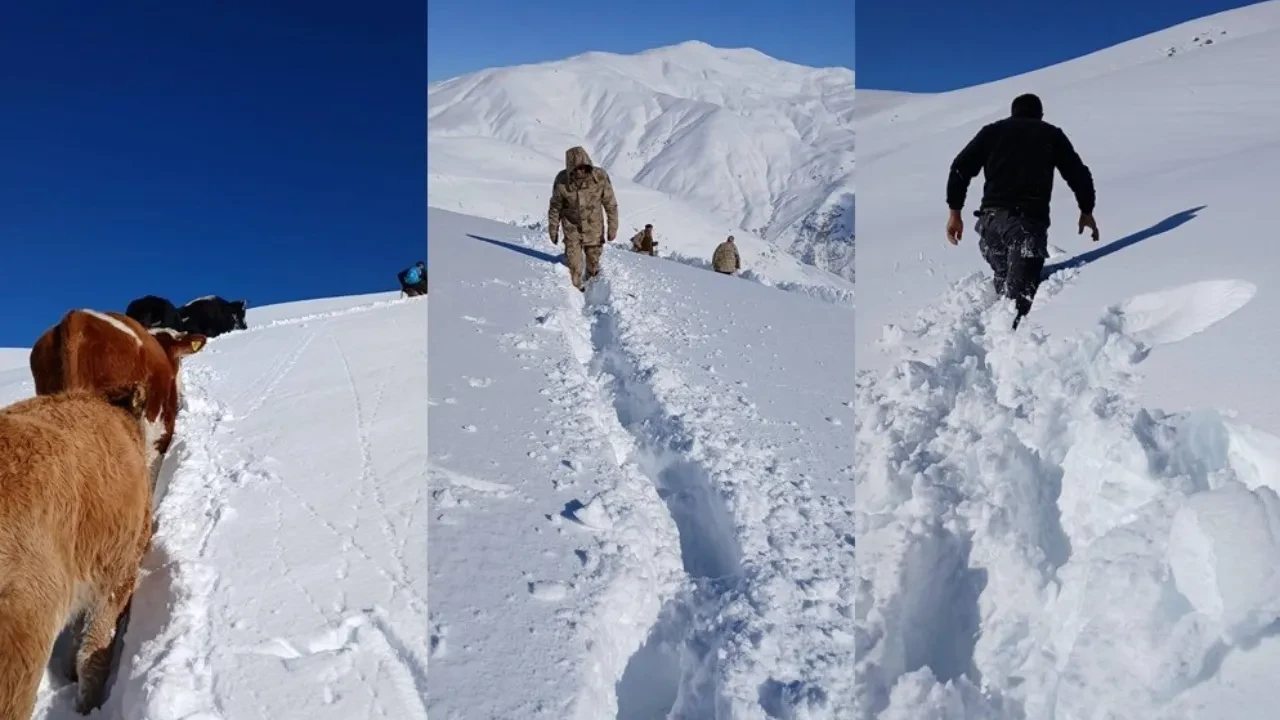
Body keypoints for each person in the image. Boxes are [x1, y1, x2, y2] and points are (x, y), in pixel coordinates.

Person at [945, 92, 1099, 329]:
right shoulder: (1050, 134)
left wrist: (955, 213)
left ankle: (994, 336)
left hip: (990, 226)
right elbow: (1077, 173)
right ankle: (1007, 345)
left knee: (1005, 282)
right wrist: (1086, 210)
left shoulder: (992, 132)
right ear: (1040, 115)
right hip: (1024, 227)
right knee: (1019, 307)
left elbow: (960, 168)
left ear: (1013, 113)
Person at [547, 146, 619, 291]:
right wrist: (553, 228)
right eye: (575, 169)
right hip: (572, 228)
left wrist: (613, 227)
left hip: (594, 229)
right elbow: (555, 207)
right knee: (574, 265)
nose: (579, 172)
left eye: (583, 168)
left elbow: (610, 204)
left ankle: (592, 289)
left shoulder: (599, 177)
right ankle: (576, 291)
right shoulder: (562, 182)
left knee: (593, 263)